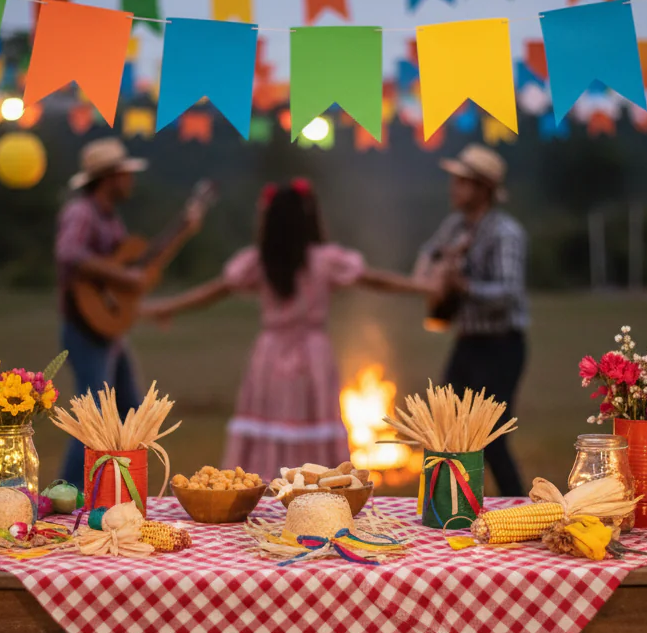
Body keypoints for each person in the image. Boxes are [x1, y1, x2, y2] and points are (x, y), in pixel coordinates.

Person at [141, 179, 431, 480]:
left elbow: (213, 291)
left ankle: (264, 488)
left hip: (270, 353)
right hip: (313, 355)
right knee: (310, 425)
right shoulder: (324, 261)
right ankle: (317, 489)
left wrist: (166, 308)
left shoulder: (260, 262)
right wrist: (422, 288)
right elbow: (375, 279)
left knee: (271, 424)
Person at [55, 138, 203, 489]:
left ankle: (116, 490)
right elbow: (68, 253)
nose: (131, 180)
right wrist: (122, 276)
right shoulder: (82, 212)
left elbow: (134, 268)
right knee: (95, 422)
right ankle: (67, 498)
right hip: (85, 330)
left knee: (131, 412)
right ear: (109, 177)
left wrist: (181, 232)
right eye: (125, 173)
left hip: (107, 331)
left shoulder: (111, 221)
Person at [413, 144, 528, 497]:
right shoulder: (455, 226)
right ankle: (453, 506)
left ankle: (517, 506)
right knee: (446, 428)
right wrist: (435, 274)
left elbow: (508, 293)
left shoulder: (505, 232)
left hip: (501, 345)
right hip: (468, 342)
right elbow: (425, 257)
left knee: (489, 435)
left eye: (462, 182)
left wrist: (463, 287)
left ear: (483, 189)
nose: (453, 188)